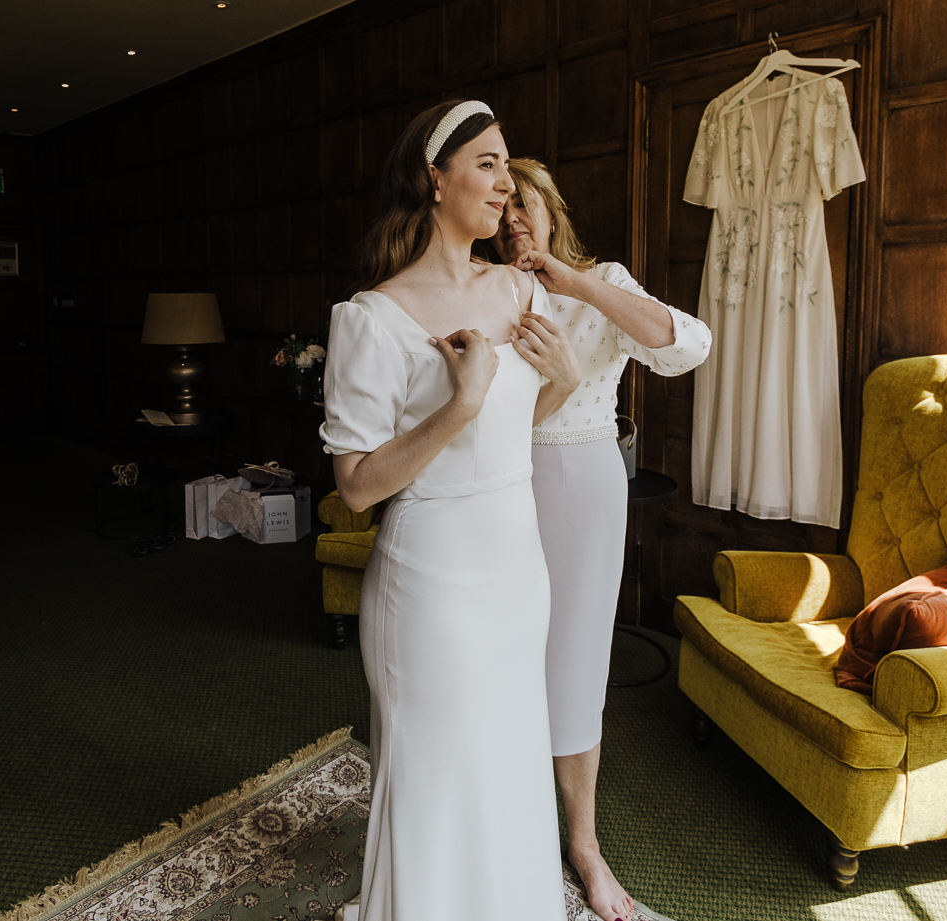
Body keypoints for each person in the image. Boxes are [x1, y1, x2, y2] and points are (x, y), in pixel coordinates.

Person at [321, 103, 579, 921]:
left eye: (507, 166)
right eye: (487, 164)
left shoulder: (518, 288)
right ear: (435, 178)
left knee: (508, 759)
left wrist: (563, 382)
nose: (507, 185)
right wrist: (457, 406)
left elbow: (508, 432)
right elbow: (357, 486)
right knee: (440, 775)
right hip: (430, 580)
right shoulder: (371, 318)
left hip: (517, 568)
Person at [489, 159, 712, 921]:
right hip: (501, 485)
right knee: (501, 654)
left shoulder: (604, 281)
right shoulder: (490, 290)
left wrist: (575, 283)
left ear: (551, 209)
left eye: (524, 206)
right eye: (501, 212)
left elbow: (687, 346)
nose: (513, 222)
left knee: (577, 663)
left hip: (584, 484)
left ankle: (584, 844)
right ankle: (504, 819)